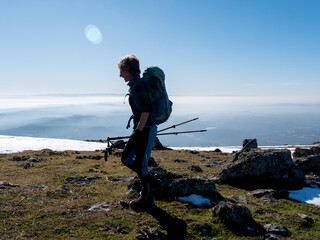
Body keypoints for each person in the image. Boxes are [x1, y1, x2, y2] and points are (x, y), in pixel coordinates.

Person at [117, 55, 159, 209]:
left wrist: (137, 133)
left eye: (121, 71)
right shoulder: (136, 85)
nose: (120, 75)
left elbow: (146, 111)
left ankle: (147, 198)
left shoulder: (139, 86)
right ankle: (149, 185)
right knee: (129, 159)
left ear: (127, 69)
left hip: (145, 130)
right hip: (143, 129)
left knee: (133, 161)